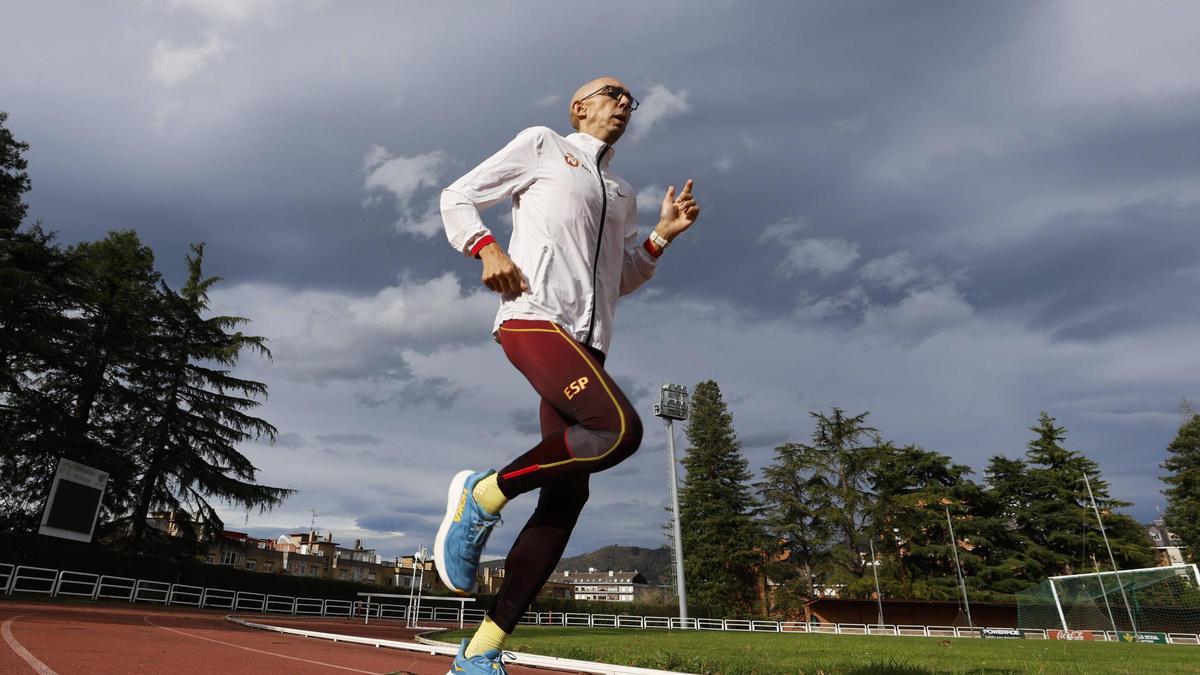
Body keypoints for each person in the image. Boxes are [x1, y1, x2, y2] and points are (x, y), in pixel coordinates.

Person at [434, 76, 699, 673]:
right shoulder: (543, 146)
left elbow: (618, 278)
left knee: (567, 498)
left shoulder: (623, 193)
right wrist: (487, 248)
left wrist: (659, 238)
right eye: (613, 93)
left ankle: (478, 654)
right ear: (579, 106)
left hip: (589, 346)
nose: (624, 103)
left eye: (632, 99)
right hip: (532, 318)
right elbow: (456, 196)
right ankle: (482, 494)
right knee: (618, 431)